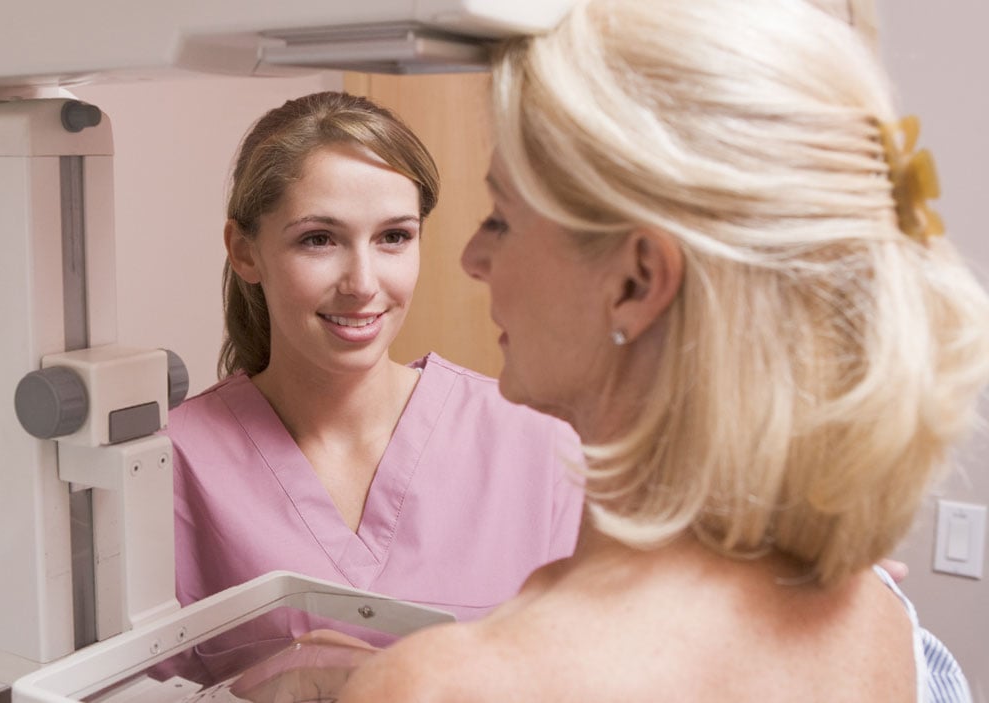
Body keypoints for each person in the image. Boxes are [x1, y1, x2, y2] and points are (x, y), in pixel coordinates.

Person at [334, 0, 988, 700]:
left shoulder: (449, 684)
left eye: (501, 218)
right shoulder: (880, 615)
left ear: (638, 280)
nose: (471, 256)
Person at [166, 91, 586, 682]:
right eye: (319, 239)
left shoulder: (537, 441)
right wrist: (240, 696)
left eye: (393, 237)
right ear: (245, 251)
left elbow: (595, 676)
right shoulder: (170, 463)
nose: (363, 283)